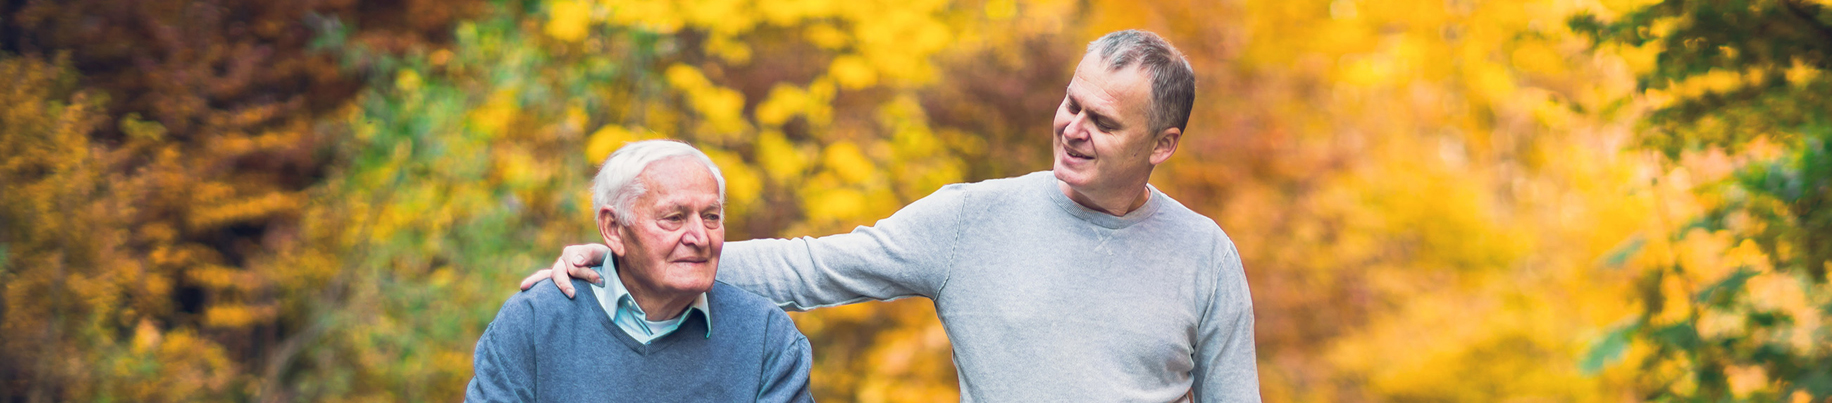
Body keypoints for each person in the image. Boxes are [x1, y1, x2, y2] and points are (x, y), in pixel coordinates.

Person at [522, 29, 1258, 401]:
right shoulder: (974, 221)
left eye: (1103, 121)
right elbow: (811, 267)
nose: (1072, 126)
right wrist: (626, 259)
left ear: (1163, 144)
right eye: (1071, 103)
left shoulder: (1204, 252)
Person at [470, 140, 813, 402]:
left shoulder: (767, 336)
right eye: (674, 218)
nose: (700, 238)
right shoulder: (534, 321)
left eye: (711, 216)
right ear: (614, 229)